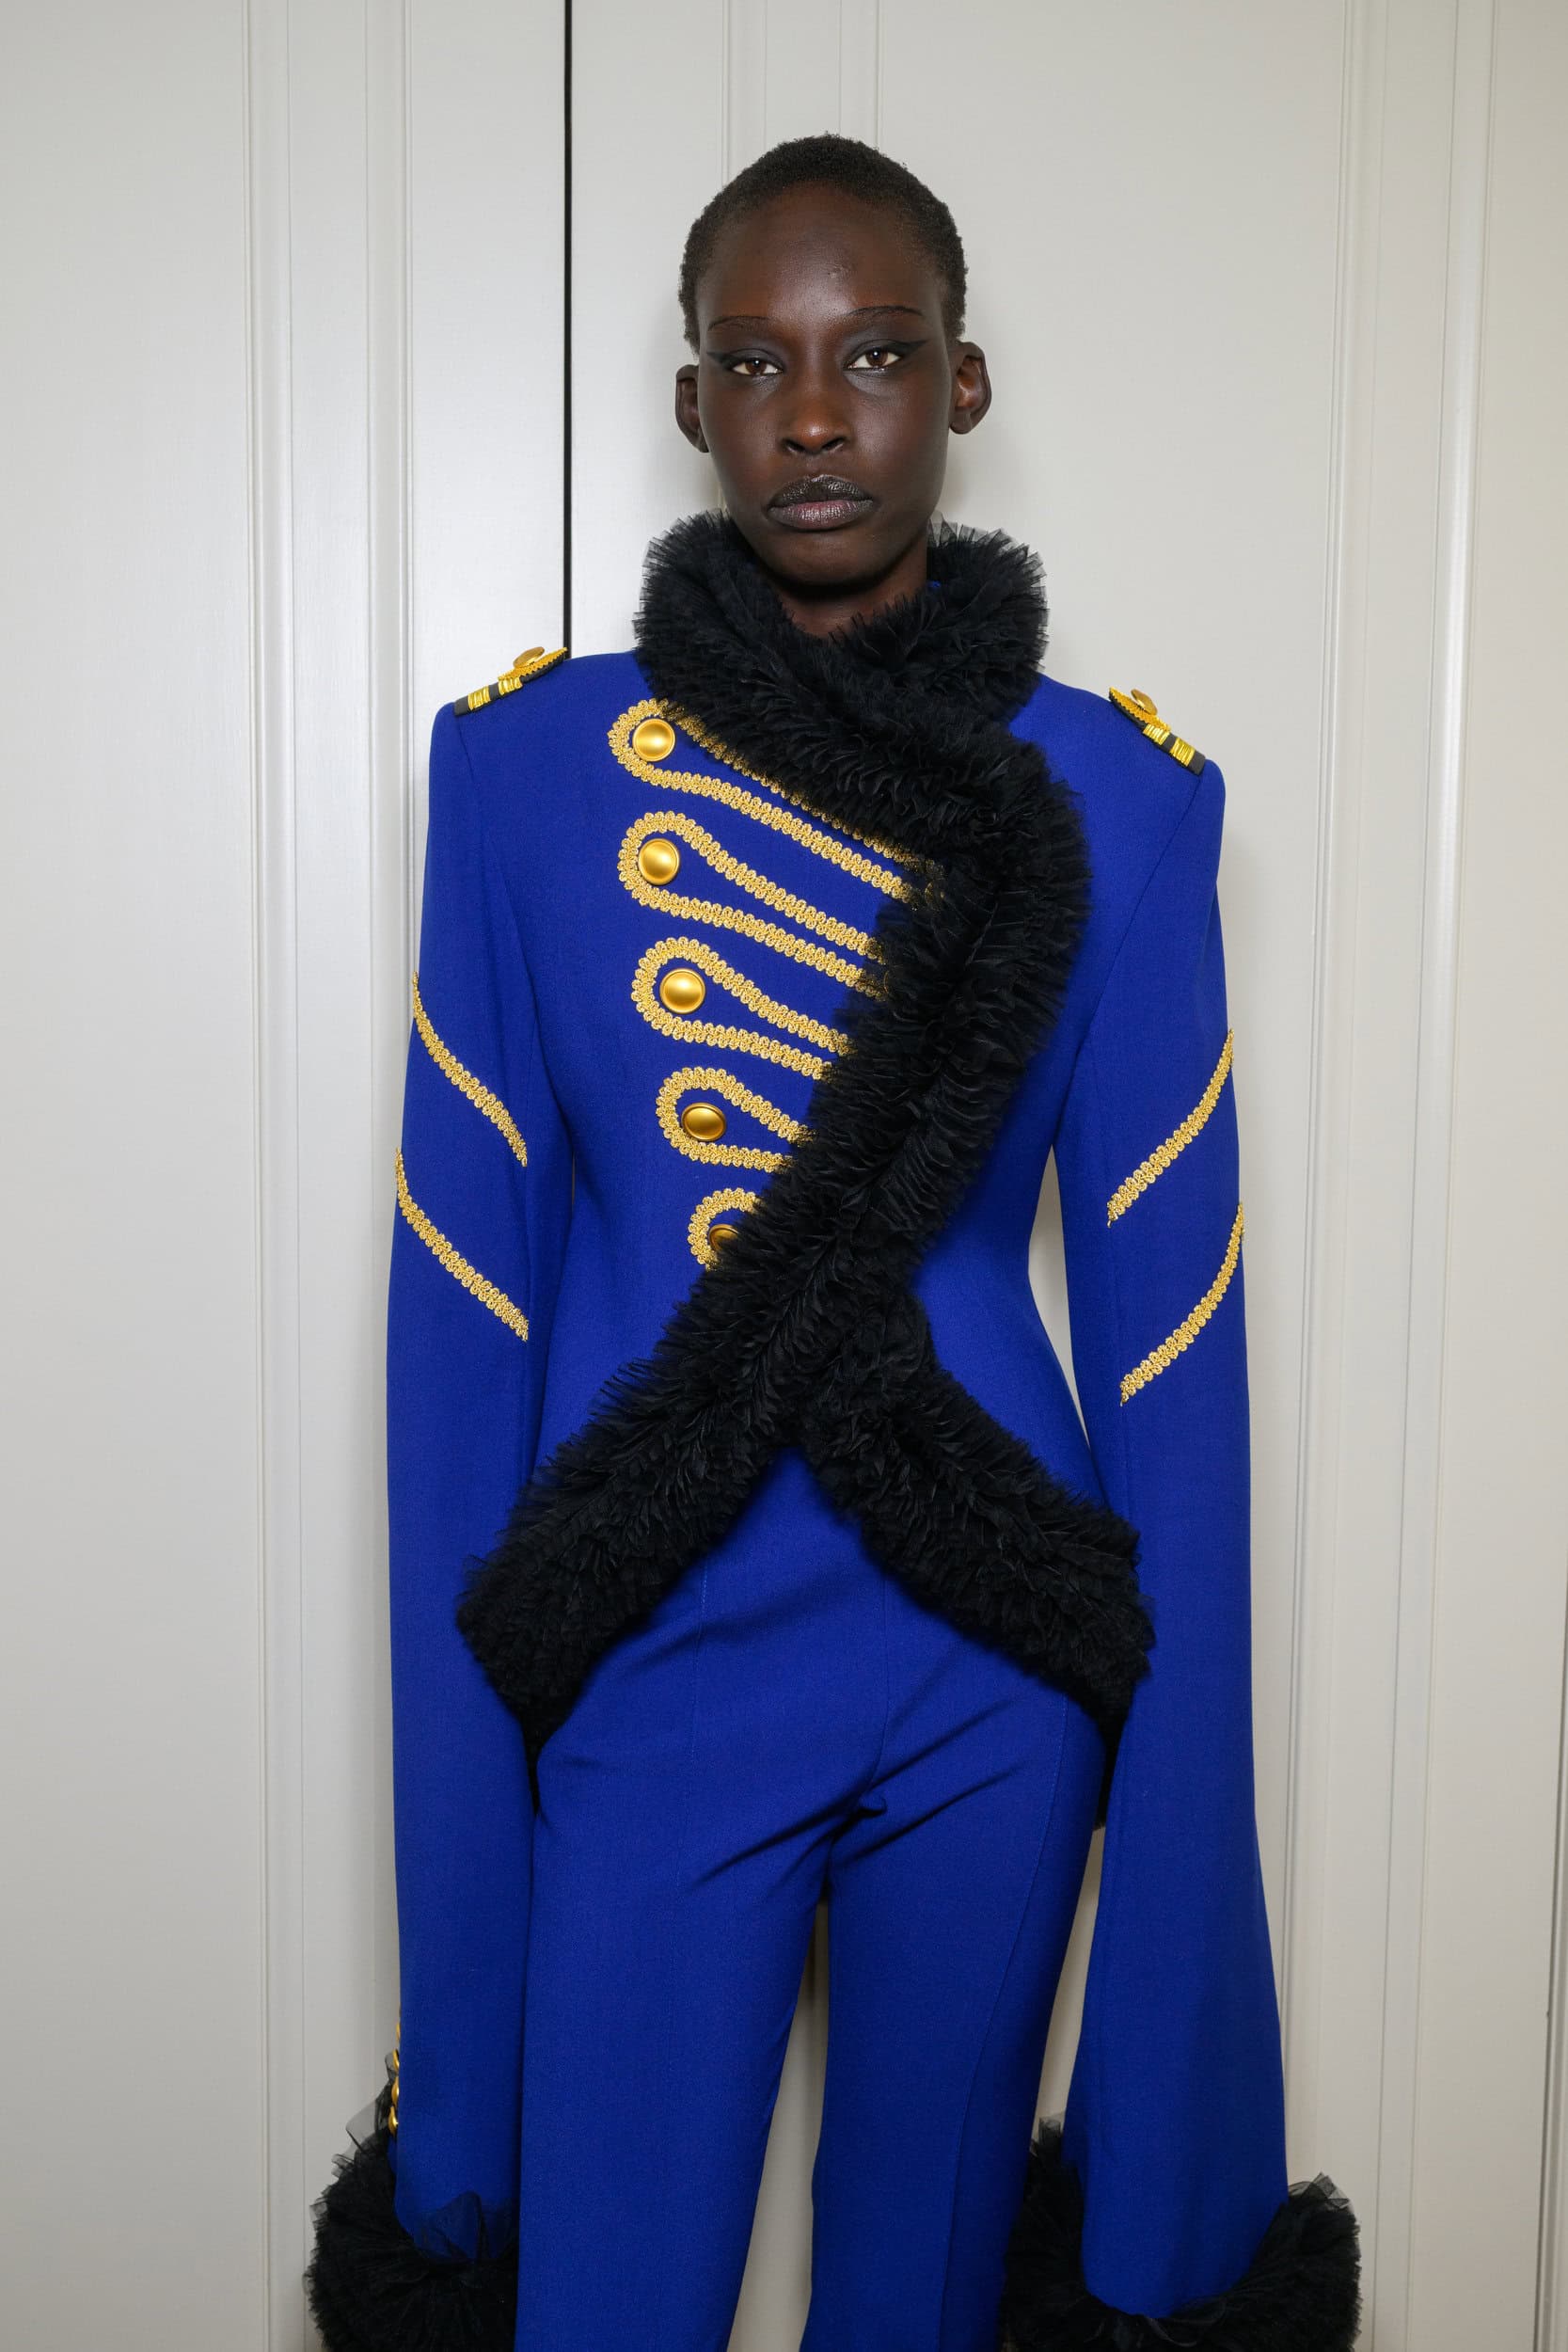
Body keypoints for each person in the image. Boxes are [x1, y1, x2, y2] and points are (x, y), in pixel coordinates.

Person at [307, 134, 1362, 2352]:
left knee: (923, 2297)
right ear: (690, 400)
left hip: (985, 1652)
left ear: (963, 384)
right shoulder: (523, 774)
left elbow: (1177, 1367)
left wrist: (1177, 1803)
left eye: (875, 355)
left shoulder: (1119, 797)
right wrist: (475, 1768)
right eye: (756, 360)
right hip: (657, 1633)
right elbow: (459, 1337)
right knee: (605, 2297)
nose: (813, 412)